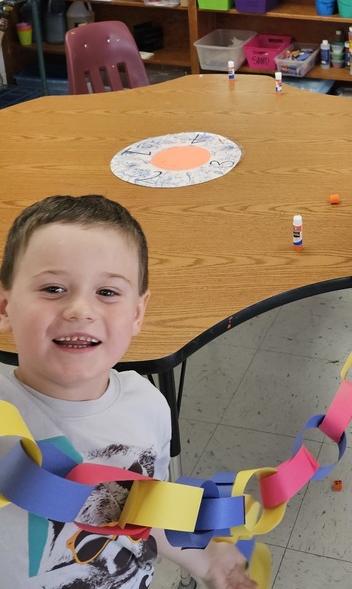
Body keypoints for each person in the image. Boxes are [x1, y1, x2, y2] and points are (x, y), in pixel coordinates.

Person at [0, 194, 258, 589]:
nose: (80, 310)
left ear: (137, 313)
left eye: (107, 292)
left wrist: (210, 564)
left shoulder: (148, 407)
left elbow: (138, 511)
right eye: (53, 288)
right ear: (4, 307)